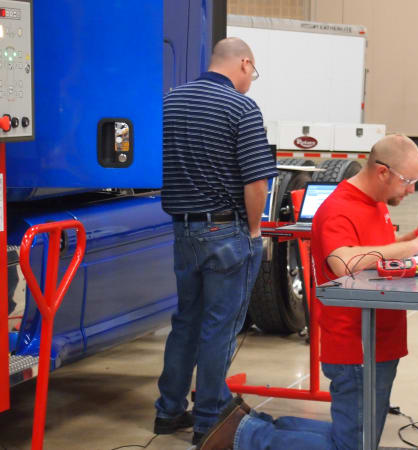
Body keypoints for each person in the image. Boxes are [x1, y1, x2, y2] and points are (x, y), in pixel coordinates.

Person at [196, 135, 418, 449]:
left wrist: (415, 236)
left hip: (379, 339)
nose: (411, 190)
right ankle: (244, 435)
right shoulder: (339, 209)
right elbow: (343, 262)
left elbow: (374, 252)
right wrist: (416, 246)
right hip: (356, 346)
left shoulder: (375, 202)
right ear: (383, 172)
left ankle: (249, 426)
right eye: (408, 181)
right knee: (351, 446)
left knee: (358, 440)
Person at [154, 37, 279, 446]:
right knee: (219, 328)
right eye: (252, 72)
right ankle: (209, 421)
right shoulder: (241, 108)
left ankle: (168, 410)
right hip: (225, 232)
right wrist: (255, 231)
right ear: (243, 63)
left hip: (182, 230)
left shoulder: (169, 102)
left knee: (186, 321)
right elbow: (256, 182)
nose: (251, 80)